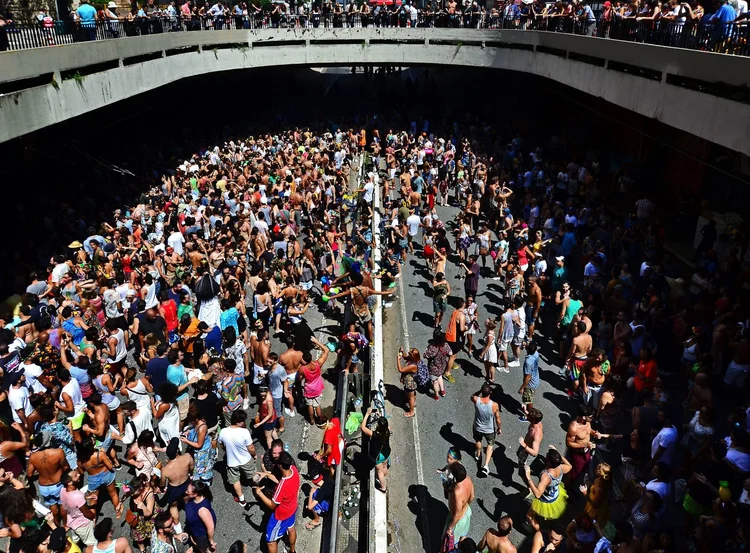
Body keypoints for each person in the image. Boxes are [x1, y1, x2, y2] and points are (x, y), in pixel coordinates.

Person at [252, 451, 299, 553]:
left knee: (270, 541)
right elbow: (279, 479)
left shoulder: (282, 487)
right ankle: (292, 550)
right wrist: (266, 474)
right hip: (292, 508)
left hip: (281, 516)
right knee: (291, 529)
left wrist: (259, 493)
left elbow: (272, 506)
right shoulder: (293, 470)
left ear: (280, 466)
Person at [27, 431, 69, 525]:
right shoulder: (58, 452)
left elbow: (29, 474)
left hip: (44, 487)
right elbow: (66, 467)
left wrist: (40, 470)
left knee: (52, 505)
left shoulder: (33, 457)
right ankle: (66, 525)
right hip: (58, 483)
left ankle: (56, 524)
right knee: (62, 504)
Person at [218, 410, 257, 507]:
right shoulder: (244, 432)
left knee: (235, 480)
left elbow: (222, 445)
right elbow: (251, 448)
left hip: (232, 462)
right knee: (253, 474)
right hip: (246, 460)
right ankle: (258, 488)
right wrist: (254, 455)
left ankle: (242, 499)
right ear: (240, 421)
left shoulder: (223, 431)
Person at [524, 445, 571, 521]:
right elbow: (569, 466)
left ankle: (537, 530)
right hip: (555, 494)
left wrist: (528, 476)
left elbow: (538, 494)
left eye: (547, 455)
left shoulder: (546, 477)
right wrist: (559, 456)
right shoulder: (561, 467)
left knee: (529, 516)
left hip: (546, 499)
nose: (546, 454)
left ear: (548, 461)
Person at [159, 437, 193, 533]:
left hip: (174, 488)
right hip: (186, 483)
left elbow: (162, 483)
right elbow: (191, 468)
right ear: (177, 450)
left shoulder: (165, 469)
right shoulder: (187, 457)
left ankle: (178, 528)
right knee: (187, 500)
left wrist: (161, 488)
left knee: (173, 506)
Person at [442, 462, 474, 552]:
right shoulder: (468, 479)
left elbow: (457, 515)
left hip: (458, 521)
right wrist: (465, 505)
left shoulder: (457, 492)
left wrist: (450, 527)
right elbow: (472, 497)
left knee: (447, 542)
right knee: (462, 537)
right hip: (467, 512)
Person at [471, 383, 502, 476]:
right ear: (490, 392)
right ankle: (486, 465)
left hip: (477, 427)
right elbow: (498, 419)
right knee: (490, 444)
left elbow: (473, 396)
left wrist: (480, 391)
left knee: (478, 440)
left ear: (482, 392)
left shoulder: (476, 400)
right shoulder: (494, 405)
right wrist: (499, 428)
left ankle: (478, 454)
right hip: (489, 430)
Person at [60, 470, 97, 547]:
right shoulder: (78, 496)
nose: (79, 474)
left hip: (72, 521)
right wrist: (93, 517)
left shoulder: (63, 490)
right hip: (82, 525)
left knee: (75, 540)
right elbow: (86, 513)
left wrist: (87, 497)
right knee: (92, 544)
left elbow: (74, 501)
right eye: (76, 475)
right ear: (69, 483)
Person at [361, 408, 390, 493]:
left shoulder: (375, 435)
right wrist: (380, 416)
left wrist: (367, 414)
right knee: (384, 465)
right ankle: (384, 474)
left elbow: (363, 427)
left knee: (379, 471)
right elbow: (384, 425)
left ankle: (383, 487)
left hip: (378, 455)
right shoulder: (387, 430)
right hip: (386, 452)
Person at [183, 481, 217, 553]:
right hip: (195, 529)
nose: (186, 492)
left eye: (188, 491)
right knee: (194, 540)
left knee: (203, 548)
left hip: (201, 535)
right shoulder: (192, 499)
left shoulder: (202, 510)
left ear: (195, 494)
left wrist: (211, 541)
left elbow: (210, 528)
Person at [517, 407, 544, 479]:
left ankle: (528, 484)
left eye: (528, 416)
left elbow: (535, 453)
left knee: (522, 470)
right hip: (525, 446)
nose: (526, 417)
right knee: (518, 454)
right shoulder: (536, 421)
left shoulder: (536, 434)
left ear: (533, 420)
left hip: (527, 452)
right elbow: (531, 418)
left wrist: (524, 445)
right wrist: (525, 411)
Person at [518, 342, 540, 419]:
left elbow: (528, 377)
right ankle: (529, 411)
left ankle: (529, 416)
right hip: (536, 378)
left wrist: (522, 387)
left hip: (530, 384)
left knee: (529, 400)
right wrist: (526, 345)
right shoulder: (536, 353)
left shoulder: (528, 362)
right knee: (529, 398)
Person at [396, 347, 420, 417]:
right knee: (410, 394)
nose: (409, 352)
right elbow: (405, 357)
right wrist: (402, 352)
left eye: (411, 352)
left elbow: (401, 370)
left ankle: (411, 412)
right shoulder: (411, 358)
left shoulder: (413, 365)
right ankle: (413, 403)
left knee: (410, 397)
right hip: (409, 381)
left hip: (410, 383)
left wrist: (397, 359)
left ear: (413, 356)